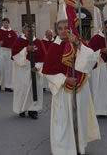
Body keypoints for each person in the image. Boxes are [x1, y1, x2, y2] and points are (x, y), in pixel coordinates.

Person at [43, 19, 101, 155]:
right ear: (57, 31)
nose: (63, 31)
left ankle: (79, 146)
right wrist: (65, 79)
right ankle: (64, 149)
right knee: (63, 120)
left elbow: (92, 59)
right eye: (61, 28)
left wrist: (78, 44)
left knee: (80, 117)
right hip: (64, 90)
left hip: (80, 89)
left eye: (66, 28)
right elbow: (47, 71)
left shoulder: (77, 42)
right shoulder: (54, 47)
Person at [11, 25, 46, 119]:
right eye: (28, 31)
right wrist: (26, 50)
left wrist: (38, 67)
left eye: (33, 30)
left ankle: (33, 110)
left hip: (34, 70)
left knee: (34, 90)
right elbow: (14, 55)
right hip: (22, 70)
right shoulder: (19, 41)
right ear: (24, 31)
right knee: (22, 90)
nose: (31, 32)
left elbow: (44, 57)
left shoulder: (38, 42)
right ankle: (21, 109)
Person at [0, 18, 17, 91]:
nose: (5, 24)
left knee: (8, 70)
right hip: (0, 52)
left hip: (9, 52)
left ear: (9, 23)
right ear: (2, 24)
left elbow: (16, 44)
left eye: (6, 23)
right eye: (4, 23)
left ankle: (7, 86)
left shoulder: (12, 33)